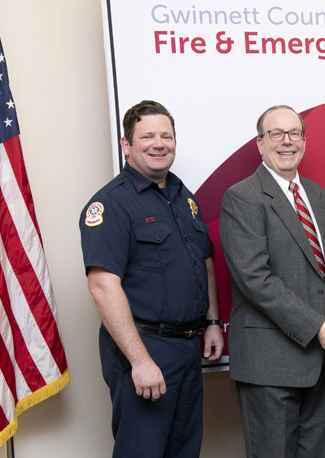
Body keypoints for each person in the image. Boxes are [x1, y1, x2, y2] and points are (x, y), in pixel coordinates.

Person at [80, 100, 223, 458]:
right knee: (142, 450)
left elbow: (203, 259)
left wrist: (213, 321)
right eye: (147, 136)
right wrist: (141, 362)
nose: (159, 144)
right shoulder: (111, 204)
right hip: (145, 348)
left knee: (184, 449)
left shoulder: (182, 197)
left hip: (188, 347)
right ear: (127, 145)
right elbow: (102, 285)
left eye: (166, 136)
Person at [219, 105, 325, 458]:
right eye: (276, 134)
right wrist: (317, 326)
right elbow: (255, 278)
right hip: (271, 362)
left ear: (304, 141)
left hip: (320, 362)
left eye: (294, 133)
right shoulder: (243, 197)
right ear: (260, 144)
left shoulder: (319, 196)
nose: (286, 142)